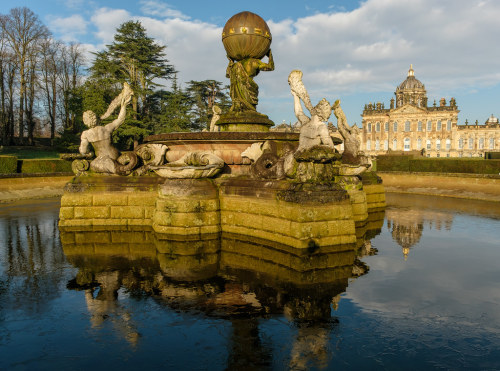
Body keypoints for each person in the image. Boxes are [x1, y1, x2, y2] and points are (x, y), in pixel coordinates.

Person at [79, 83, 133, 174]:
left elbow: (84, 151)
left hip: (103, 159)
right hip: (115, 156)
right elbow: (120, 119)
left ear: (86, 122)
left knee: (93, 166)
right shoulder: (106, 128)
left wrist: (87, 153)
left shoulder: (86, 134)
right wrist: (123, 106)